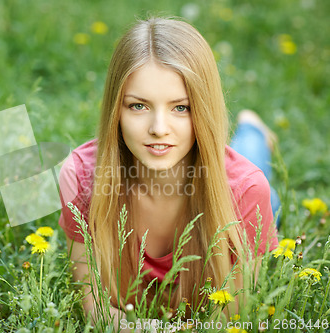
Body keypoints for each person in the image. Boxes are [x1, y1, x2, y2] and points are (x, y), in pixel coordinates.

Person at [58, 17, 279, 329]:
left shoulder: (246, 190)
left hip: (242, 191)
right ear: (115, 109)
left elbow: (229, 318)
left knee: (251, 156)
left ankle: (254, 129)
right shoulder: (81, 177)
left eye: (181, 108)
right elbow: (94, 307)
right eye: (138, 106)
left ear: (204, 108)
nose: (158, 129)